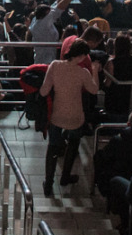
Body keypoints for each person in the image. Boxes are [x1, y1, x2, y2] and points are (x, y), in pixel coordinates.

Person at [39, 36, 101, 198]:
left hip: (57, 116)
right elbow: (94, 90)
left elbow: (43, 91)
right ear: (81, 56)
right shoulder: (83, 73)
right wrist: (94, 71)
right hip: (76, 117)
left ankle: (48, 183)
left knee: (53, 147)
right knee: (73, 145)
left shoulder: (55, 66)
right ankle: (65, 176)